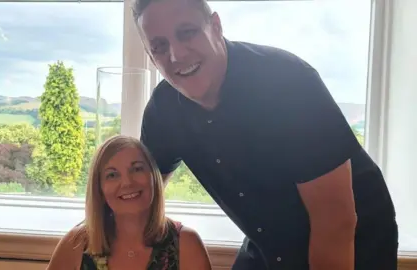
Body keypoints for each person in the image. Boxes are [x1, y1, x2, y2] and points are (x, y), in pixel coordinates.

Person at [133, 0, 399, 269]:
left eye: (187, 32)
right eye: (159, 46)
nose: (176, 54)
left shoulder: (287, 82)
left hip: (352, 238)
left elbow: (335, 222)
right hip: (266, 239)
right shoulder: (163, 110)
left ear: (215, 26)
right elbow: (138, 196)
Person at [46, 135, 212, 270]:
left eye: (137, 169)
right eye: (112, 175)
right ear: (100, 189)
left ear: (154, 177)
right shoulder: (76, 244)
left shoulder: (186, 244)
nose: (127, 183)